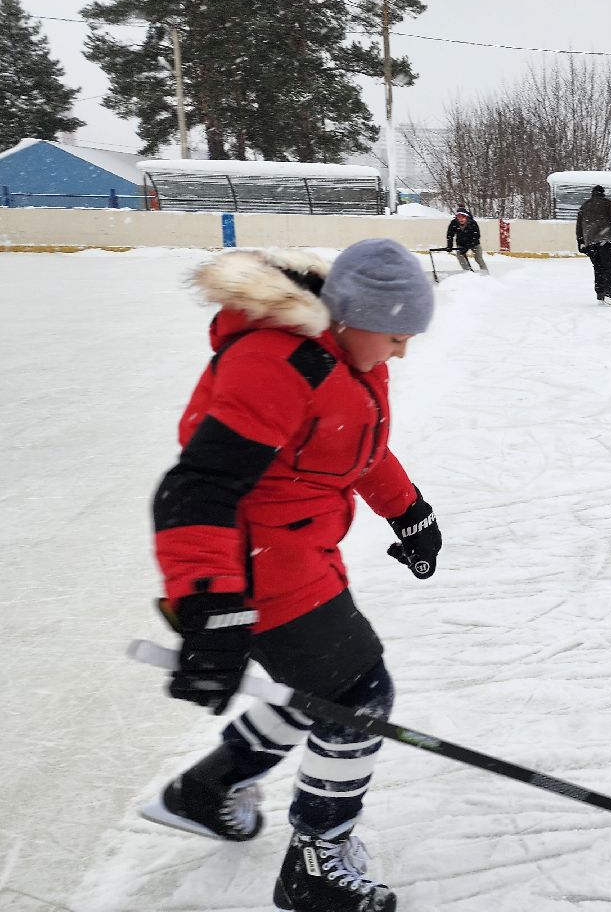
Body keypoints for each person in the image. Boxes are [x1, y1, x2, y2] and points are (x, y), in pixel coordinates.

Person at [144, 238, 443, 912]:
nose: (401, 352)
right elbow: (199, 489)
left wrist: (409, 511)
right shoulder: (276, 363)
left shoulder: (350, 358)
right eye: (397, 336)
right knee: (358, 695)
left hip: (301, 554)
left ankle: (208, 789)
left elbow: (357, 444)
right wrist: (210, 605)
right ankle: (317, 860)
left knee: (321, 690)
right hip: (254, 566)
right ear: (354, 315)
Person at [576, 184, 611, 303]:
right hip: (604, 240)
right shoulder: (608, 204)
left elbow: (579, 226)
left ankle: (600, 293)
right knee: (608, 267)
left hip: (590, 242)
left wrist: (580, 241)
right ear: (603, 193)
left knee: (598, 268)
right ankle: (609, 292)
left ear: (592, 194)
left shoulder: (584, 206)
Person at [445, 206, 483, 272]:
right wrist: (449, 245)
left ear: (466, 217)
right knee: (460, 256)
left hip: (474, 243)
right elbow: (450, 235)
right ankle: (467, 272)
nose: (461, 220)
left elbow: (477, 236)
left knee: (478, 259)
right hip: (461, 244)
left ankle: (485, 273)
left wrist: (468, 246)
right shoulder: (453, 223)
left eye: (463, 217)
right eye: (459, 218)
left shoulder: (472, 223)